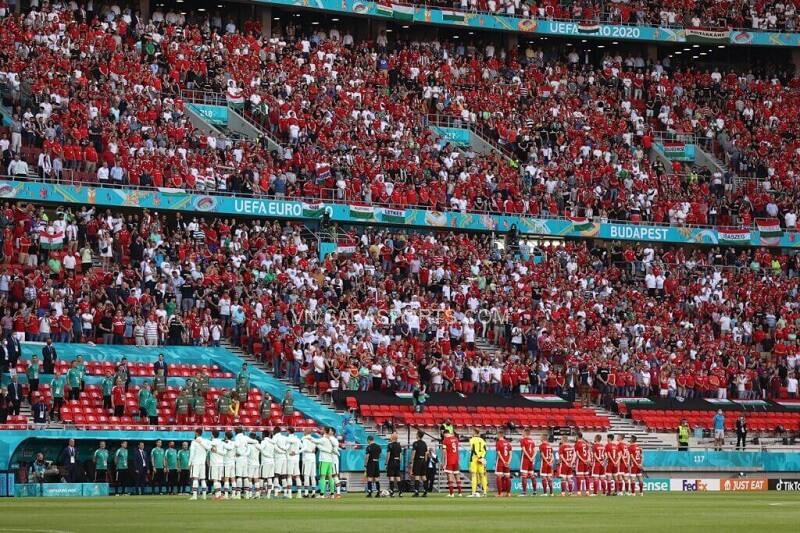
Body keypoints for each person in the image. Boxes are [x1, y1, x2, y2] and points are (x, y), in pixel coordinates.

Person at [189, 428, 212, 500]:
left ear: (196, 433)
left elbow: (192, 453)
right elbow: (209, 448)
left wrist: (189, 462)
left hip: (195, 462)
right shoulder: (205, 441)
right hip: (203, 462)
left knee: (195, 478)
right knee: (202, 479)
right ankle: (204, 496)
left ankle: (195, 496)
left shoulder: (194, 442)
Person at [468, 428, 487, 497]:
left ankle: (473, 492)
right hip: (481, 458)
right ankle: (484, 492)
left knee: (474, 475)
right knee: (482, 475)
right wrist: (481, 457)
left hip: (474, 458)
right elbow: (485, 450)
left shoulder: (472, 440)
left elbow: (473, 449)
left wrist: (478, 457)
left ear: (474, 432)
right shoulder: (482, 440)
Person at [442, 429, 461, 497]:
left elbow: (444, 452)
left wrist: (443, 462)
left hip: (449, 459)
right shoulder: (456, 439)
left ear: (444, 433)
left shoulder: (445, 440)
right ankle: (459, 493)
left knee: (449, 476)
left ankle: (451, 493)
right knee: (457, 476)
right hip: (456, 459)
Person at [316, 427, 334, 498]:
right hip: (330, 460)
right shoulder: (331, 439)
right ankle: (332, 494)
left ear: (325, 431)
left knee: (322, 476)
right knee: (330, 477)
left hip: (324, 460)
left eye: (322, 429)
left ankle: (322, 494)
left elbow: (317, 444)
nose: (321, 430)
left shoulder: (323, 439)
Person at [258, 429, 276, 499]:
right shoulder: (272, 443)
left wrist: (256, 444)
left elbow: (261, 449)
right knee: (269, 478)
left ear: (263, 435)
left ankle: (259, 494)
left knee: (262, 478)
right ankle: (268, 495)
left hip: (265, 462)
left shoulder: (264, 441)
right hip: (272, 461)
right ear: (269, 435)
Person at [385, 432, 404, 497]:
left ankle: (392, 492)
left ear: (392, 437)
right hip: (397, 462)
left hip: (391, 462)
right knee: (398, 477)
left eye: (391, 436)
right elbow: (401, 455)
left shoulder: (390, 445)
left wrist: (386, 463)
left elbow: (388, 455)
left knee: (392, 477)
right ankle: (400, 492)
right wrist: (399, 462)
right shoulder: (399, 445)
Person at [300, 428, 317, 498]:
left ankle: (306, 493)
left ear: (306, 432)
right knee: (313, 476)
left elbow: (304, 448)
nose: (303, 432)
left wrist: (297, 452)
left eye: (304, 431)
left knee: (306, 475)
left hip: (307, 458)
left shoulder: (304, 439)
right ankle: (313, 492)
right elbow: (315, 449)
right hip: (313, 458)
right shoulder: (313, 439)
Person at [495, 430, 512, 497]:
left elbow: (499, 453)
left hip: (500, 462)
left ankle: (500, 493)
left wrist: (503, 461)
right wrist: (508, 462)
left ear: (499, 435)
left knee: (499, 477)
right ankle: (508, 493)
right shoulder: (508, 443)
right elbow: (510, 454)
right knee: (507, 477)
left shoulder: (498, 443)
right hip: (507, 462)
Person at [519, 429, 537, 496]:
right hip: (531, 460)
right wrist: (532, 458)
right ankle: (535, 491)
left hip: (525, 460)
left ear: (525, 433)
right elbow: (535, 451)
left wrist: (529, 457)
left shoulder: (523, 440)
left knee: (524, 476)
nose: (522, 433)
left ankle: (524, 492)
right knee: (532, 476)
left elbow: (524, 450)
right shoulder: (532, 441)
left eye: (522, 432)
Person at [411, 430, 428, 497]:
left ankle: (416, 492)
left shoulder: (415, 443)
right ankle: (426, 491)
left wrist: (411, 462)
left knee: (417, 476)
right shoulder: (424, 443)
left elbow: (414, 453)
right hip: (423, 461)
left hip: (417, 461)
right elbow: (426, 453)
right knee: (424, 476)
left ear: (418, 435)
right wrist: (425, 461)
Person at [574, 432, 591, 496]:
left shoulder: (577, 444)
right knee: (586, 476)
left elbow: (577, 454)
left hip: (580, 462)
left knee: (579, 477)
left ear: (578, 436)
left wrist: (583, 460)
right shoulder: (586, 444)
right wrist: (588, 460)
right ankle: (587, 492)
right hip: (586, 462)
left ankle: (579, 492)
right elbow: (588, 452)